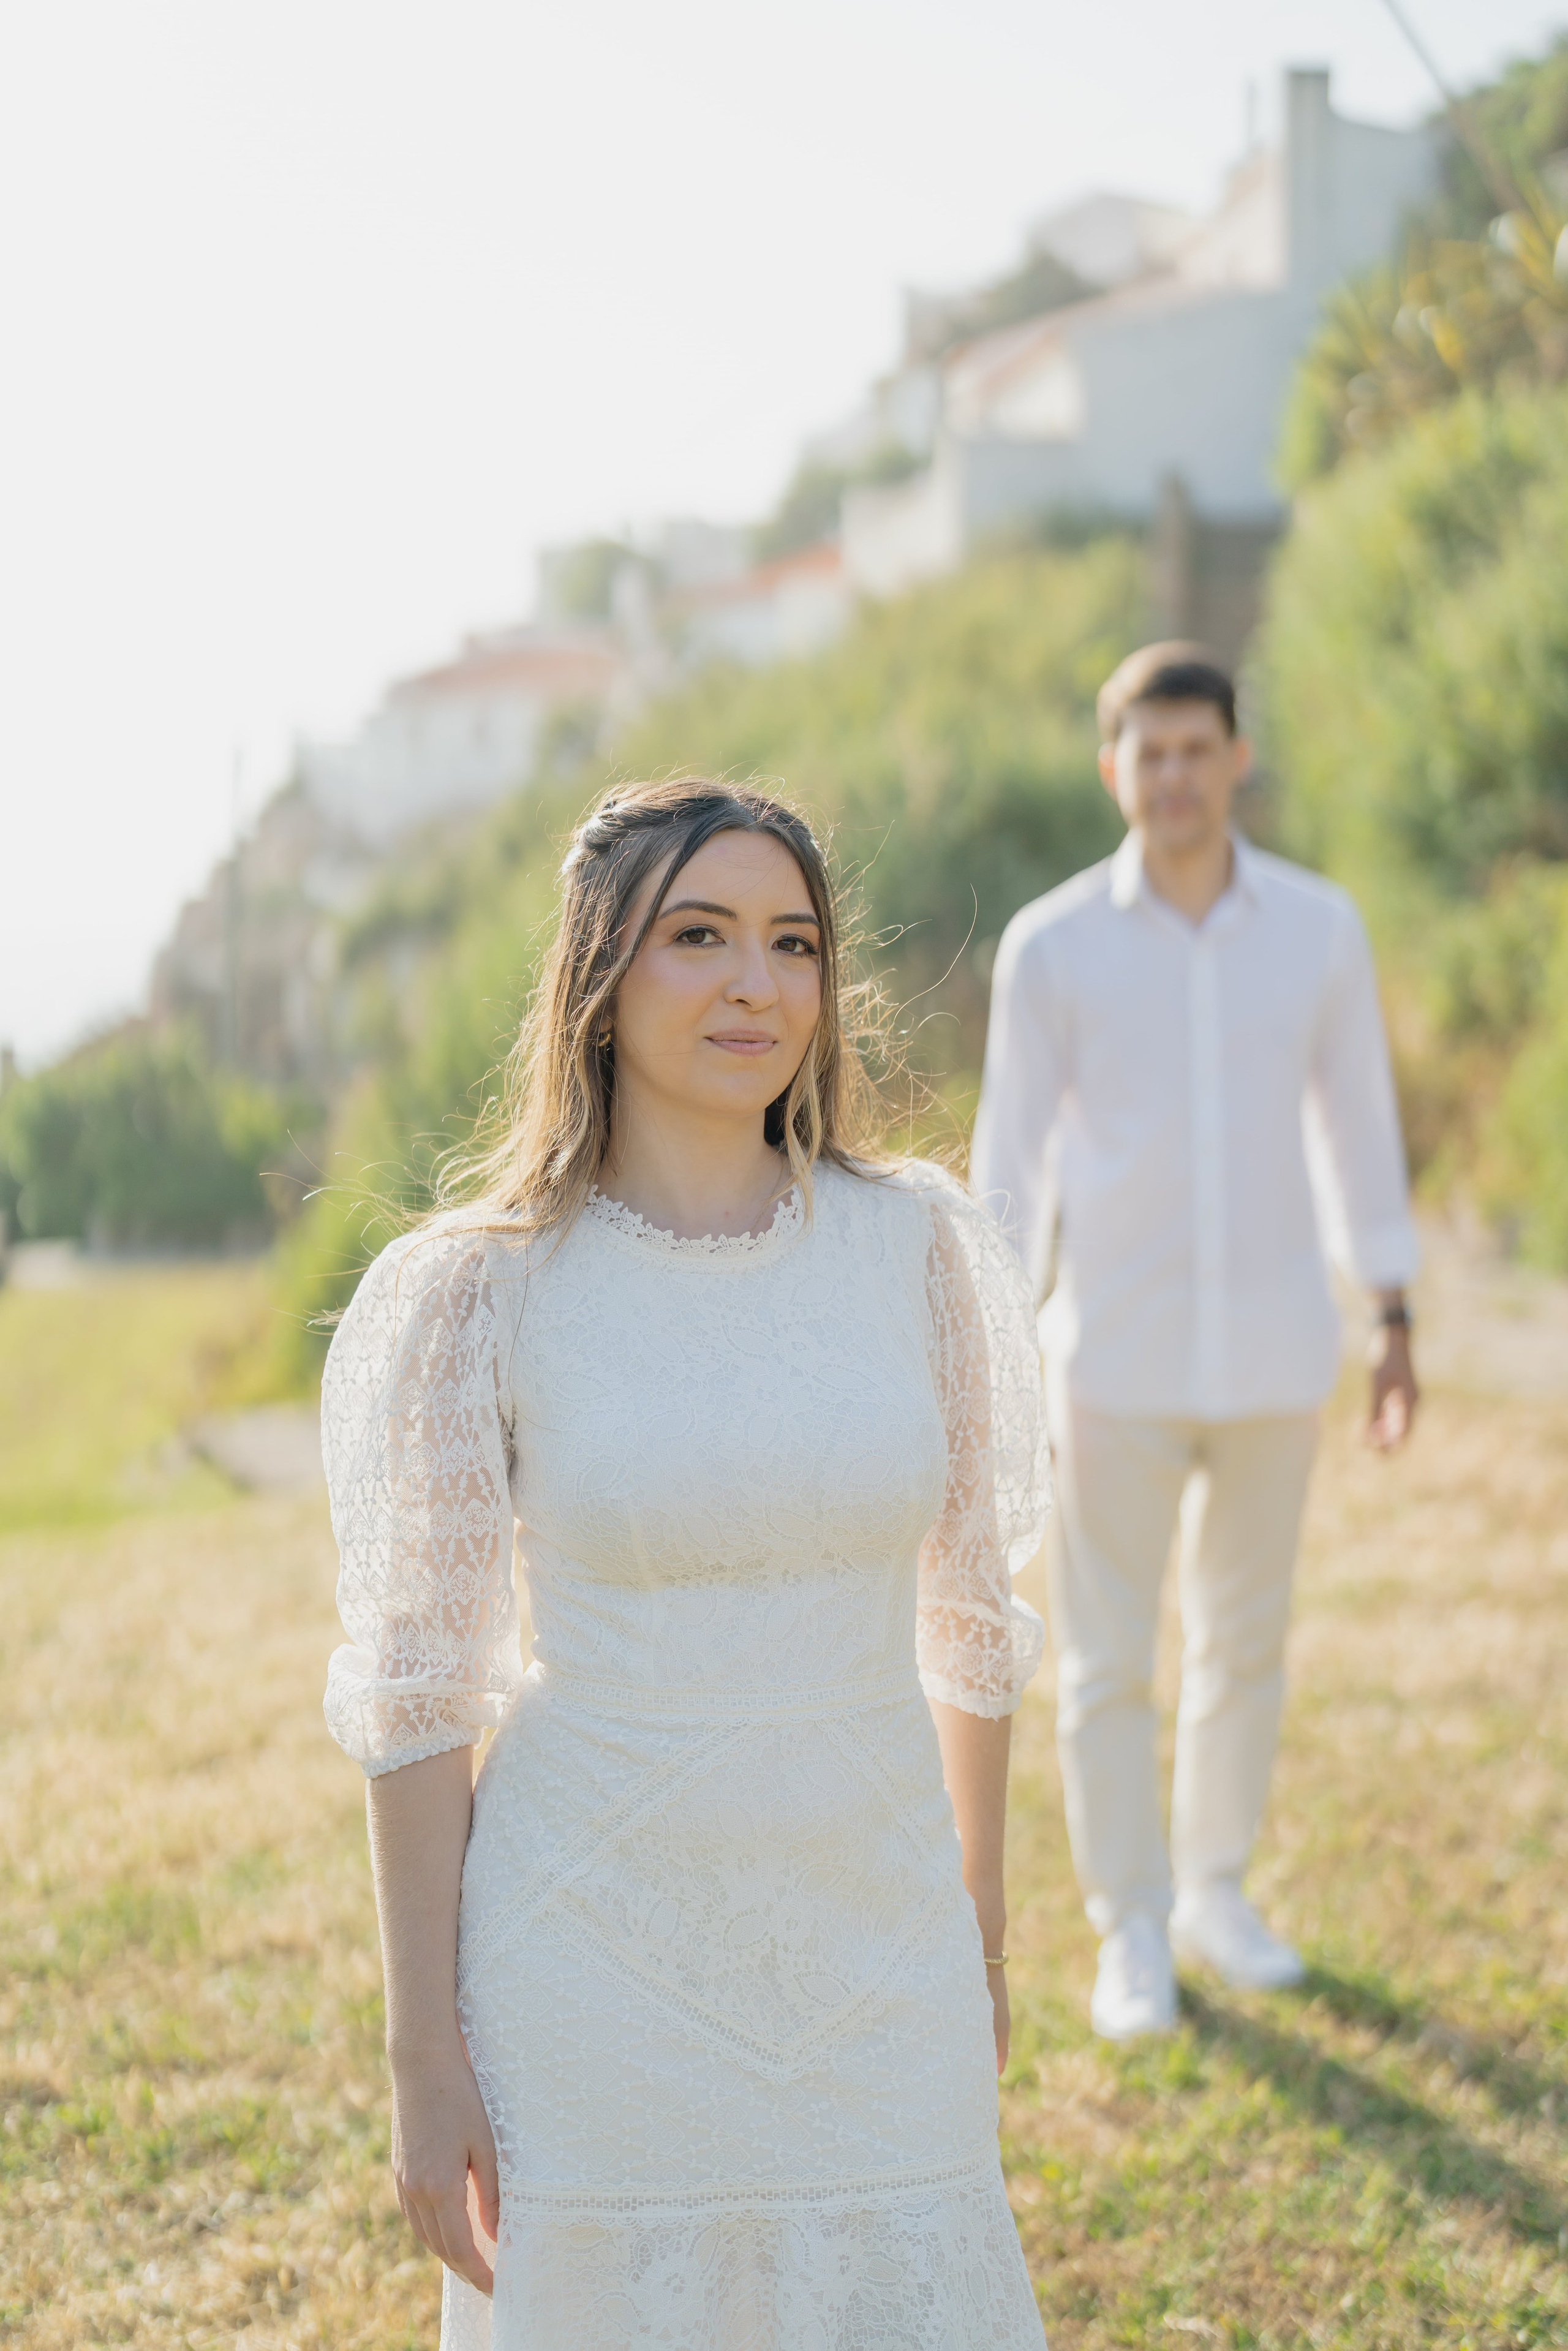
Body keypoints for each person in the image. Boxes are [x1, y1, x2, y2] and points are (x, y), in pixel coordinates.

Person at [322, 777, 1051, 2349]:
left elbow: (971, 1621)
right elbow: (416, 1698)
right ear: (598, 966)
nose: (757, 983)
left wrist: (974, 1931)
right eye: (698, 936)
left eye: (793, 942)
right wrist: (421, 2051)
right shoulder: (480, 1289)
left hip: (879, 1950)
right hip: (589, 1961)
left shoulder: (918, 1247)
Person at [970, 643, 1419, 2042]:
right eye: (1144, 753)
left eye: (1193, 749)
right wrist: (986, 1346)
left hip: (1278, 1349)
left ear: (1234, 758)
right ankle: (1131, 1929)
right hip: (1107, 1359)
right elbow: (1008, 1169)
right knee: (1105, 1659)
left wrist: (1389, 1306)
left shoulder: (1317, 927)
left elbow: (1356, 1125)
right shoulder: (1049, 945)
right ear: (1113, 770)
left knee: (1246, 1637)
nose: (1170, 777)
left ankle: (1217, 1890)